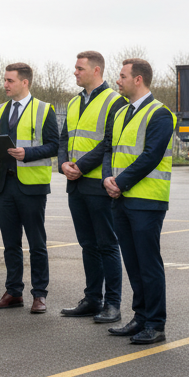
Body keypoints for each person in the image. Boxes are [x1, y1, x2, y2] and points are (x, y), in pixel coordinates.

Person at [102, 58, 176, 344]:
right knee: (133, 263)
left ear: (138, 79)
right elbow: (110, 150)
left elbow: (151, 156)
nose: (117, 81)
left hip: (147, 200)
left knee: (148, 264)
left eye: (122, 76)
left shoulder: (160, 113)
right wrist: (107, 179)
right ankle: (140, 318)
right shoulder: (121, 112)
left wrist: (119, 183)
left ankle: (155, 324)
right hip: (121, 199)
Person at [0, 62, 59, 313]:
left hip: (32, 186)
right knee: (10, 244)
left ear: (25, 82)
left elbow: (54, 145)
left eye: (10, 80)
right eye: (4, 80)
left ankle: (39, 294)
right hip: (4, 185)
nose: (5, 84)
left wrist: (28, 153)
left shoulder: (45, 109)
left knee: (37, 244)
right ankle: (13, 292)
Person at [58, 51, 127, 323]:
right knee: (87, 244)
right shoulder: (74, 102)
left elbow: (110, 142)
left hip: (98, 185)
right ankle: (92, 299)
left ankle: (113, 304)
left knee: (107, 244)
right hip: (75, 185)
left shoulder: (114, 101)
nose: (75, 72)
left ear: (96, 70)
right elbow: (64, 139)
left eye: (80, 68)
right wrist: (63, 164)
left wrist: (80, 166)